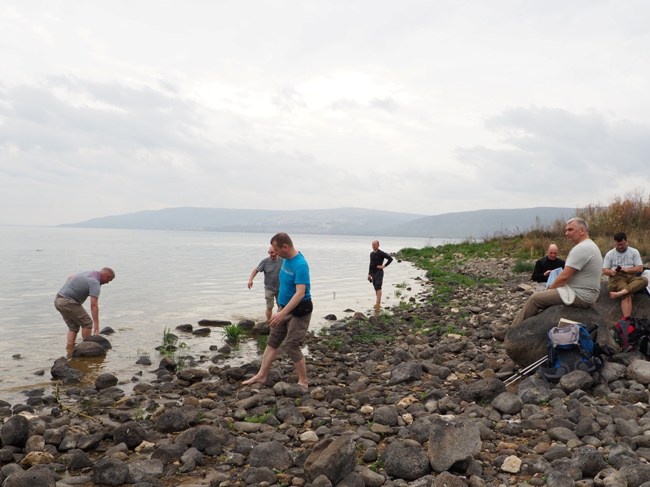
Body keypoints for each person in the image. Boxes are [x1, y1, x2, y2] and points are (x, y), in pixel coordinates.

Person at [243, 233, 312, 388]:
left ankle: (303, 381)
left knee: (291, 345)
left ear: (285, 247)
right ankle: (261, 375)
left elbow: (300, 292)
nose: (274, 253)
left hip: (299, 311)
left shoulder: (300, 264)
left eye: (276, 250)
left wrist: (282, 313)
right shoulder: (285, 260)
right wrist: (280, 309)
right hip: (283, 308)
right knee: (272, 342)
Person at [511, 218, 602, 326]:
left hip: (580, 294)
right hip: (588, 293)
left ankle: (512, 330)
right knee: (543, 297)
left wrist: (549, 289)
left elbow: (564, 277)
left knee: (535, 299)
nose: (566, 233)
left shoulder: (582, 248)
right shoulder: (591, 245)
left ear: (582, 231)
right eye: (566, 230)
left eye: (570, 230)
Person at [54, 267, 116, 348]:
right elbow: (94, 305)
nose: (108, 283)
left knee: (73, 327)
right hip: (68, 302)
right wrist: (96, 325)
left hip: (58, 300)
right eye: (109, 280)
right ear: (107, 276)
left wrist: (71, 290)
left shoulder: (87, 273)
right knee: (87, 323)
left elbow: (70, 277)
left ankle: (69, 349)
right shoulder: (95, 283)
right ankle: (87, 348)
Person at [602, 232, 648, 319]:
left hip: (632, 276)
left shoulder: (634, 252)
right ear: (614, 243)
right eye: (617, 244)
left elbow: (640, 268)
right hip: (617, 278)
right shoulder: (610, 254)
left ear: (627, 242)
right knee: (627, 296)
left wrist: (627, 269)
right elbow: (604, 270)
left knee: (644, 280)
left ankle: (620, 293)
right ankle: (626, 321)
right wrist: (611, 272)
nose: (620, 246)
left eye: (622, 244)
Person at [247, 246, 283, 322]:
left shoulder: (282, 260)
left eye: (273, 252)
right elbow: (256, 270)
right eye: (270, 253)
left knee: (281, 306)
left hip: (281, 288)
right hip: (269, 288)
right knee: (269, 306)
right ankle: (269, 322)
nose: (271, 254)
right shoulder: (265, 261)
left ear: (277, 252)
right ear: (268, 252)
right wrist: (250, 280)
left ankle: (277, 322)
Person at [368, 240, 393, 308]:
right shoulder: (371, 254)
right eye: (372, 245)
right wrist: (369, 274)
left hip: (379, 272)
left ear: (378, 245)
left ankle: (378, 303)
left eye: (375, 245)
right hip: (373, 272)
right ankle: (377, 302)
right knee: (375, 287)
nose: (373, 246)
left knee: (378, 287)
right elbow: (371, 264)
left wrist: (384, 266)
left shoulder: (381, 253)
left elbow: (390, 259)